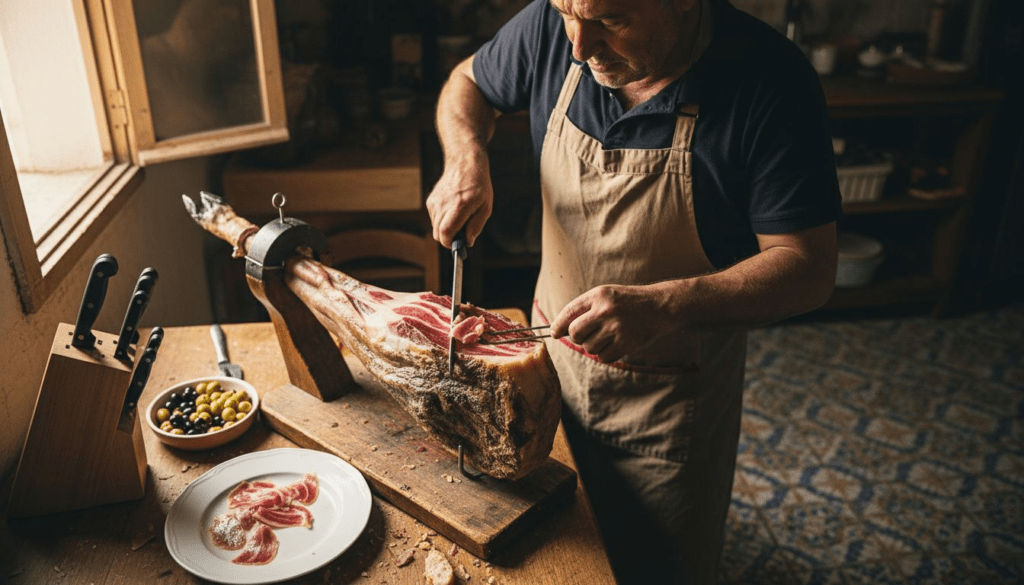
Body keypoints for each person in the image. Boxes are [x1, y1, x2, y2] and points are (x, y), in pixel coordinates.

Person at [426, 0, 841, 582]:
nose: (578, 44)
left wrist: (667, 304)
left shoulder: (770, 79)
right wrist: (466, 155)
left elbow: (808, 266)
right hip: (544, 370)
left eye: (611, 22)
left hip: (667, 406)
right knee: (553, 558)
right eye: (566, 12)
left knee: (656, 566)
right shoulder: (560, 23)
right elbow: (466, 82)